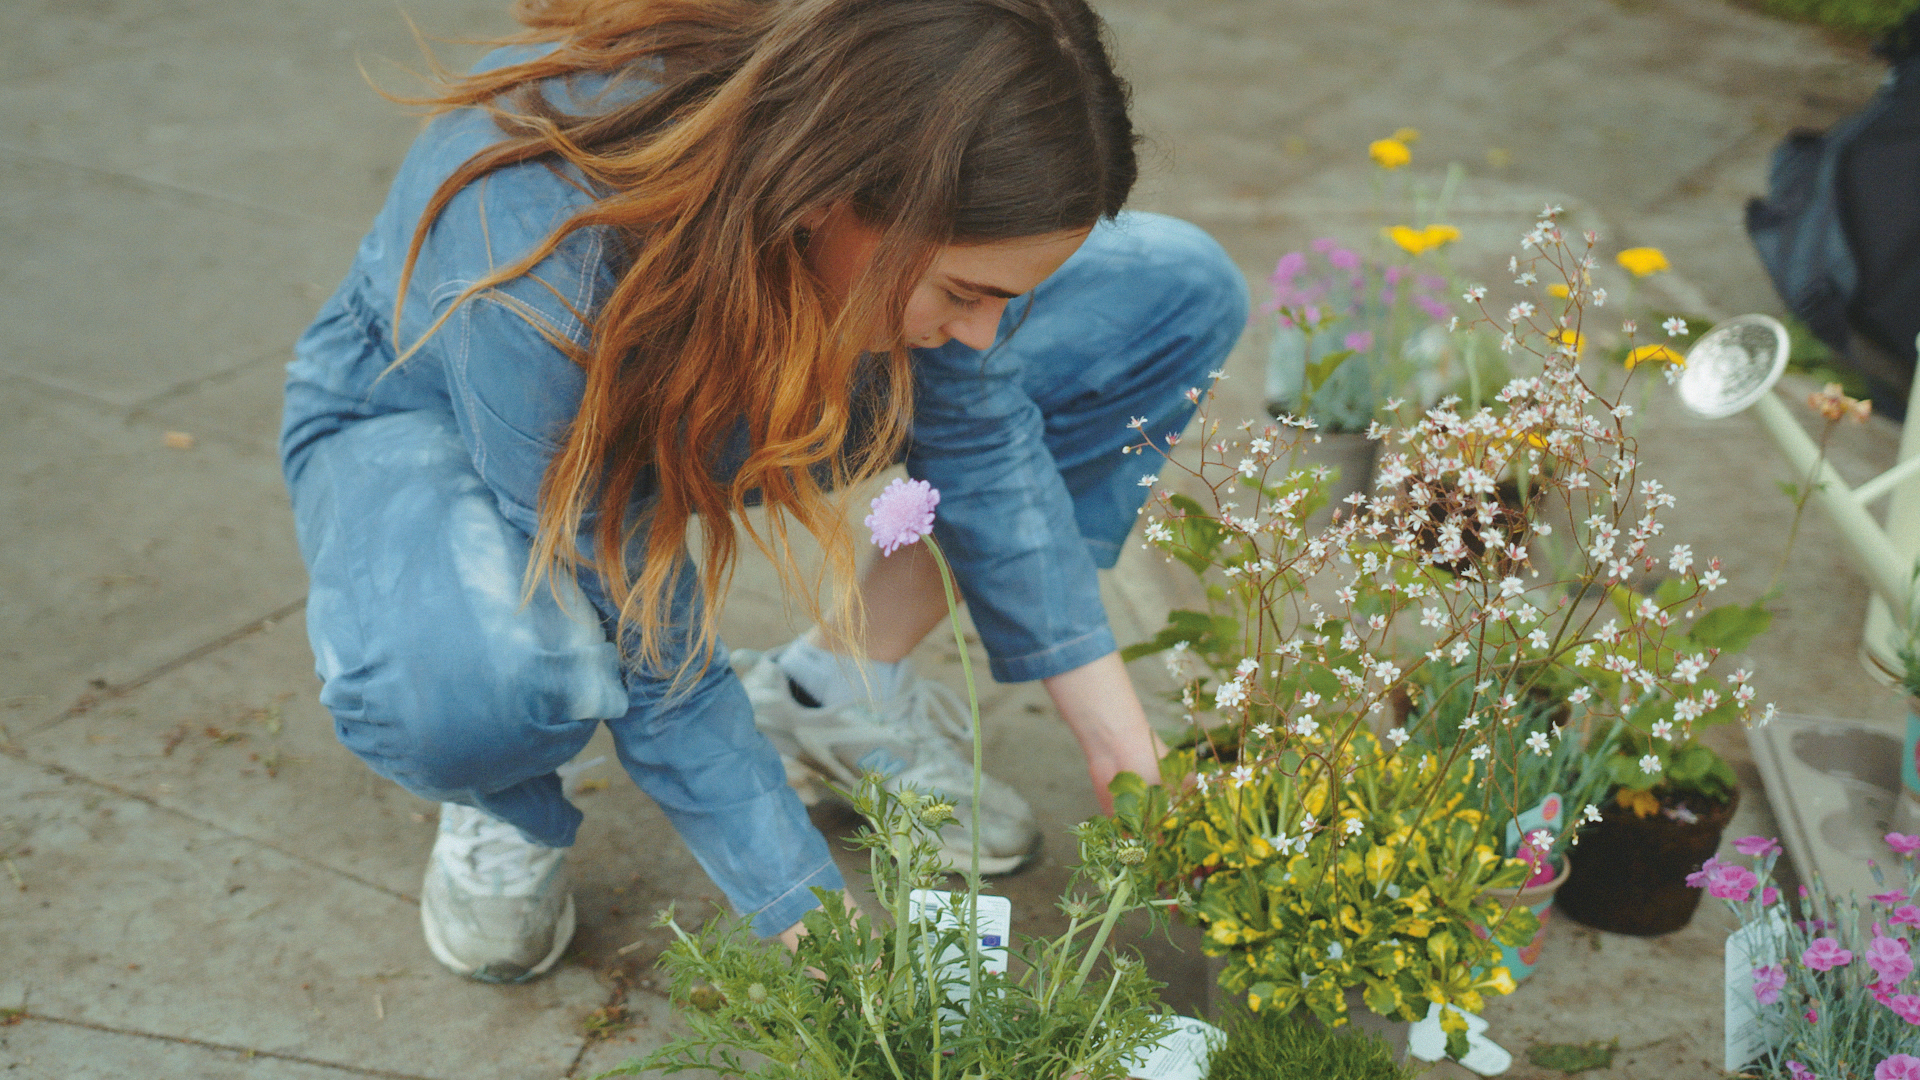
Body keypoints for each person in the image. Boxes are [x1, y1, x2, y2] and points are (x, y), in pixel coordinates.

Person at [279, 0, 1247, 984]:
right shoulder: (536, 257)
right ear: (830, 197)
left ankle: (834, 690)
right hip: (436, 422)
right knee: (479, 676)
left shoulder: (880, 139)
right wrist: (823, 939)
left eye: (1005, 297)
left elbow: (988, 446)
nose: (984, 332)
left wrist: (1133, 769)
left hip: (748, 352)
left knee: (1174, 290)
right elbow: (656, 642)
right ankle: (511, 785)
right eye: (965, 293)